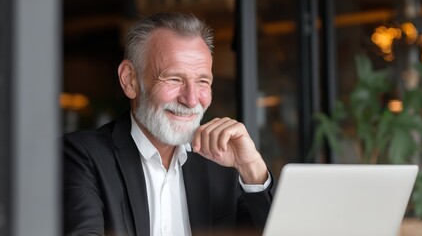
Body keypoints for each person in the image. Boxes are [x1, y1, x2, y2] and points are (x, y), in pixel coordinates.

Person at [63, 12, 275, 236]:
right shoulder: (81, 158)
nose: (191, 99)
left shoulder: (222, 166)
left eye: (202, 81)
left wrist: (251, 167)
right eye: (174, 79)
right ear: (130, 80)